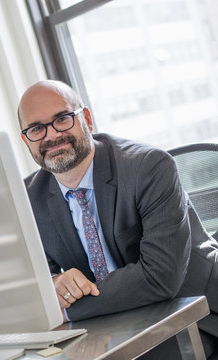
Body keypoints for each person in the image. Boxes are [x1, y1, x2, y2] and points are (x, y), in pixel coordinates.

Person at [18, 79, 218, 358]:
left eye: (62, 119)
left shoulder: (148, 167)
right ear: (26, 139)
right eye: (36, 128)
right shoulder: (28, 199)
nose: (51, 136)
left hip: (195, 309)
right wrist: (53, 283)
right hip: (114, 322)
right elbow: (33, 283)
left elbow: (160, 277)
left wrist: (60, 307)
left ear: (86, 118)